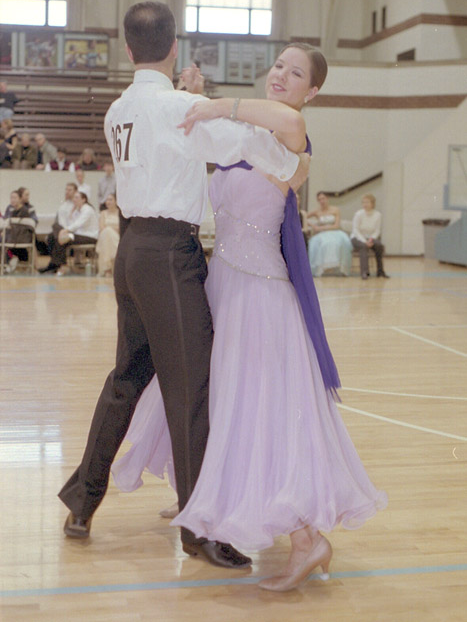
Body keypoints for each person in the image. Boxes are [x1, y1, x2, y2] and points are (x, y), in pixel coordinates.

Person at [111, 42, 387, 592]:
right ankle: (208, 496)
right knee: (220, 401)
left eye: (295, 72)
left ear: (313, 91)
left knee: (267, 415)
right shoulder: (252, 139)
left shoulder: (294, 136)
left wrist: (215, 103)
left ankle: (308, 541)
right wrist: (190, 99)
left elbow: (279, 117)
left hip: (261, 300)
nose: (281, 75)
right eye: (278, 66)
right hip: (224, 287)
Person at [57, 1, 308, 571]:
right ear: (174, 48)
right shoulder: (184, 107)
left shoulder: (117, 110)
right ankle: (201, 529)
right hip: (170, 256)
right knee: (191, 391)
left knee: (126, 378)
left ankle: (82, 502)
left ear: (128, 50)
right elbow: (247, 146)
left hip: (130, 252)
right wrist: (291, 163)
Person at [307, 191, 352, 276]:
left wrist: (319, 228)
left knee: (340, 242)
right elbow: (303, 216)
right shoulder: (317, 211)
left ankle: (338, 268)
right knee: (319, 243)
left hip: (335, 231)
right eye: (319, 199)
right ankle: (323, 268)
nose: (321, 201)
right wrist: (312, 225)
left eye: (323, 198)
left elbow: (336, 225)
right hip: (322, 234)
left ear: (327, 199)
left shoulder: (335, 210)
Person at [39, 183, 78, 274]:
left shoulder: (77, 204)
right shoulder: (64, 204)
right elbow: (60, 220)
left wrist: (64, 230)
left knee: (55, 233)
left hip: (72, 232)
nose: (67, 192)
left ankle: (55, 264)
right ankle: (56, 264)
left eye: (70, 190)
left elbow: (76, 222)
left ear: (75, 191)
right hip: (62, 231)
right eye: (66, 189)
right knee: (52, 237)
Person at [351, 194, 389, 279]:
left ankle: (380, 271)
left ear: (372, 203)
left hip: (371, 238)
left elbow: (377, 230)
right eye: (363, 202)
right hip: (358, 237)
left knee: (379, 246)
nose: (365, 204)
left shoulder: (378, 215)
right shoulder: (358, 214)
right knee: (363, 247)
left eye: (367, 202)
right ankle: (364, 272)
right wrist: (365, 241)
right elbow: (356, 230)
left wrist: (371, 239)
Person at [1, 189, 36, 273]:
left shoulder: (24, 211)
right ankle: (10, 262)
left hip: (20, 238)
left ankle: (12, 261)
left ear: (20, 199)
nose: (12, 200)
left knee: (4, 240)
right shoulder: (12, 211)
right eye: (11, 198)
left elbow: (21, 228)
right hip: (13, 237)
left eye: (15, 198)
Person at [96, 193, 119, 276]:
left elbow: (120, 229)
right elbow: (102, 227)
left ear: (116, 201)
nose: (108, 202)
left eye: (110, 199)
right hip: (105, 236)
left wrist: (110, 229)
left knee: (108, 232)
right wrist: (110, 229)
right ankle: (108, 268)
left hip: (117, 237)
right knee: (106, 233)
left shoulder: (120, 213)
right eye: (107, 200)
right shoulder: (103, 213)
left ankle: (108, 269)